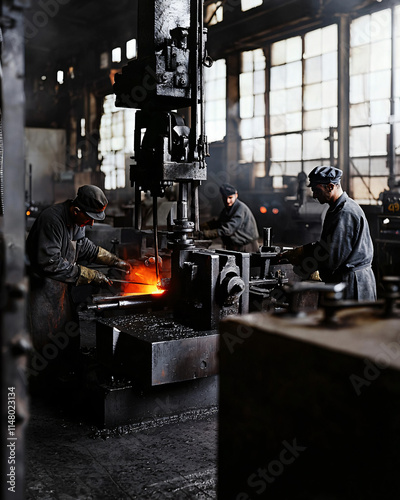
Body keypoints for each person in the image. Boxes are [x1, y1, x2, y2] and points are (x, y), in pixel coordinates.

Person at [26, 185, 131, 380]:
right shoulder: (52, 221)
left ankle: (67, 374)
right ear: (76, 210)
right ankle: (44, 384)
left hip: (60, 290)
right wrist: (92, 276)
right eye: (90, 218)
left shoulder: (75, 221)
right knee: (45, 339)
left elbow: (84, 247)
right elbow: (50, 264)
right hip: (41, 291)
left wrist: (114, 260)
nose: (91, 223)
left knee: (65, 334)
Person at [280, 166, 376, 301]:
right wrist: (303, 251)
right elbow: (328, 245)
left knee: (347, 321)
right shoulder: (337, 209)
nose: (314, 195)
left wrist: (307, 261)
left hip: (353, 284)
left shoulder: (344, 213)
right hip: (349, 279)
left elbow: (332, 258)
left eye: (316, 190)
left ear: (330, 187)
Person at [202, 183, 259, 252]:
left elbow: (228, 229)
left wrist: (205, 234)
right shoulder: (227, 209)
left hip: (246, 247)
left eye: (230, 198)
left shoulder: (240, 209)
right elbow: (220, 222)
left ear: (236, 196)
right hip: (235, 246)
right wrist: (204, 226)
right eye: (225, 198)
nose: (227, 201)